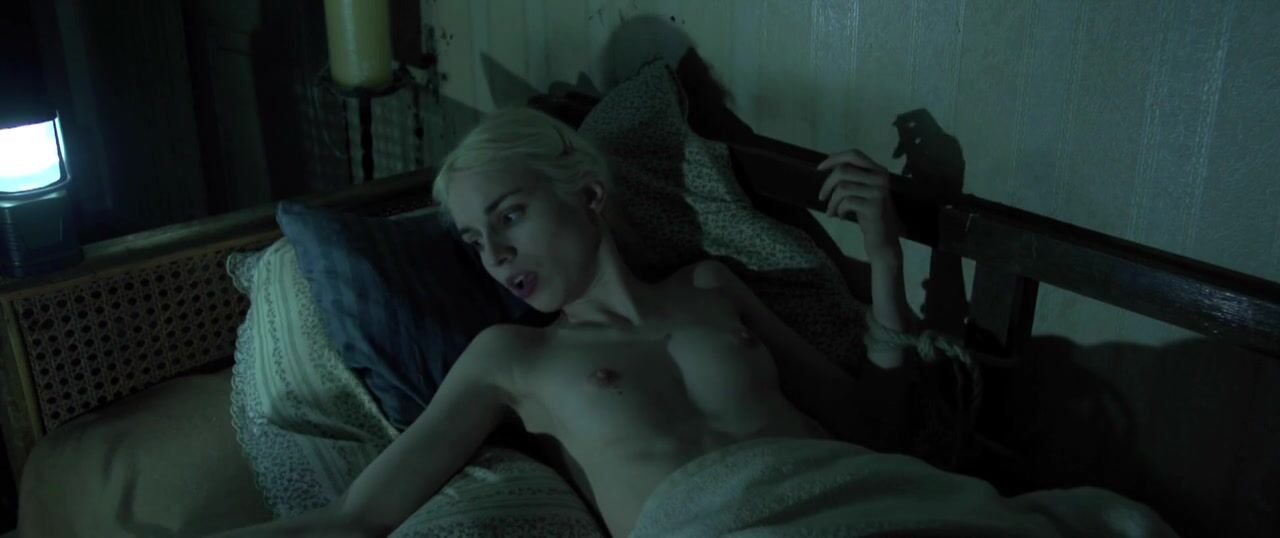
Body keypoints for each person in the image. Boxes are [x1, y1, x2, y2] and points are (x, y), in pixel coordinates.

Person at [212, 108, 1171, 538]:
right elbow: (357, 516)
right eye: (473, 240)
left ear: (588, 195)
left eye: (508, 215)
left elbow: (875, 432)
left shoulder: (713, 288)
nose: (494, 254)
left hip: (869, 500)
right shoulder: (512, 356)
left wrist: (885, 262)